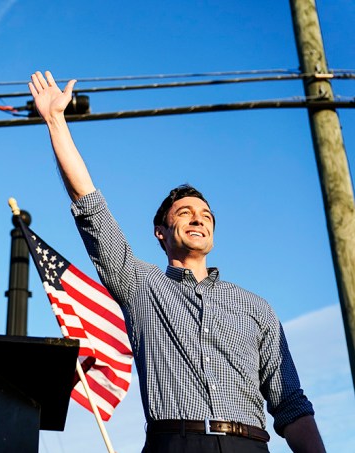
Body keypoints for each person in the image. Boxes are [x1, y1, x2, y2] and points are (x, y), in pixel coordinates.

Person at [28, 70, 325, 453]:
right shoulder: (140, 284)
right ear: (161, 232)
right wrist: (56, 121)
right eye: (184, 212)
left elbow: (291, 405)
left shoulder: (257, 308)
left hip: (249, 444)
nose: (198, 217)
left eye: (205, 213)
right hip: (173, 441)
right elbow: (90, 206)